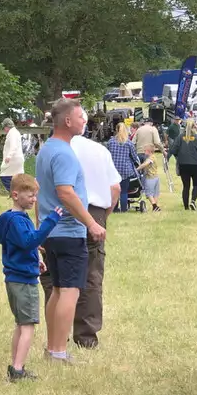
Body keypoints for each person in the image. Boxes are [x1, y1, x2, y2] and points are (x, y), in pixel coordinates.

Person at [35, 99, 105, 364]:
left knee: (57, 290)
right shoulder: (63, 153)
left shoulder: (47, 150)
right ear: (67, 121)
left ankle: (52, 348)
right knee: (70, 291)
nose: (84, 121)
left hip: (52, 231)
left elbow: (42, 193)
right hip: (68, 232)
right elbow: (66, 193)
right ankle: (58, 352)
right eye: (80, 117)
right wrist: (91, 223)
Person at [0, 173, 63, 382]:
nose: (34, 200)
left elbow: (20, 245)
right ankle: (18, 370)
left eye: (35, 195)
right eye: (30, 195)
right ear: (15, 195)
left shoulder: (12, 219)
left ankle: (15, 365)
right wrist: (51, 221)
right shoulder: (17, 221)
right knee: (28, 326)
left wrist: (34, 259)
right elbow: (30, 241)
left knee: (21, 325)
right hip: (23, 281)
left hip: (14, 277)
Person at [70, 125, 121, 350]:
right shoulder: (100, 151)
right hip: (95, 210)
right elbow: (115, 188)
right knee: (92, 276)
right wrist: (102, 217)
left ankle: (57, 335)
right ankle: (87, 336)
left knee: (59, 276)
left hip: (63, 211)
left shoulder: (54, 148)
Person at [172, 119, 197, 210]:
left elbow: (174, 150)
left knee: (186, 186)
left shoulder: (180, 137)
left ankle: (186, 206)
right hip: (195, 164)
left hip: (183, 164)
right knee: (196, 184)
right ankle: (193, 201)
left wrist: (179, 157)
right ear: (194, 127)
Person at [107, 123, 141, 214]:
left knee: (115, 190)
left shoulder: (111, 142)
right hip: (125, 170)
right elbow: (134, 157)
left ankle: (114, 208)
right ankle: (124, 209)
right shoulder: (129, 143)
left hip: (113, 169)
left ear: (116, 130)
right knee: (124, 191)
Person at [0, 117, 25, 191]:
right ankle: (19, 193)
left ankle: (15, 193)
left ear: (7, 126)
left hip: (13, 159)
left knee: (4, 176)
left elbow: (13, 146)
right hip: (17, 159)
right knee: (17, 178)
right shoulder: (15, 132)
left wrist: (9, 156)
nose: (4, 129)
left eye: (4, 127)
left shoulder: (12, 133)